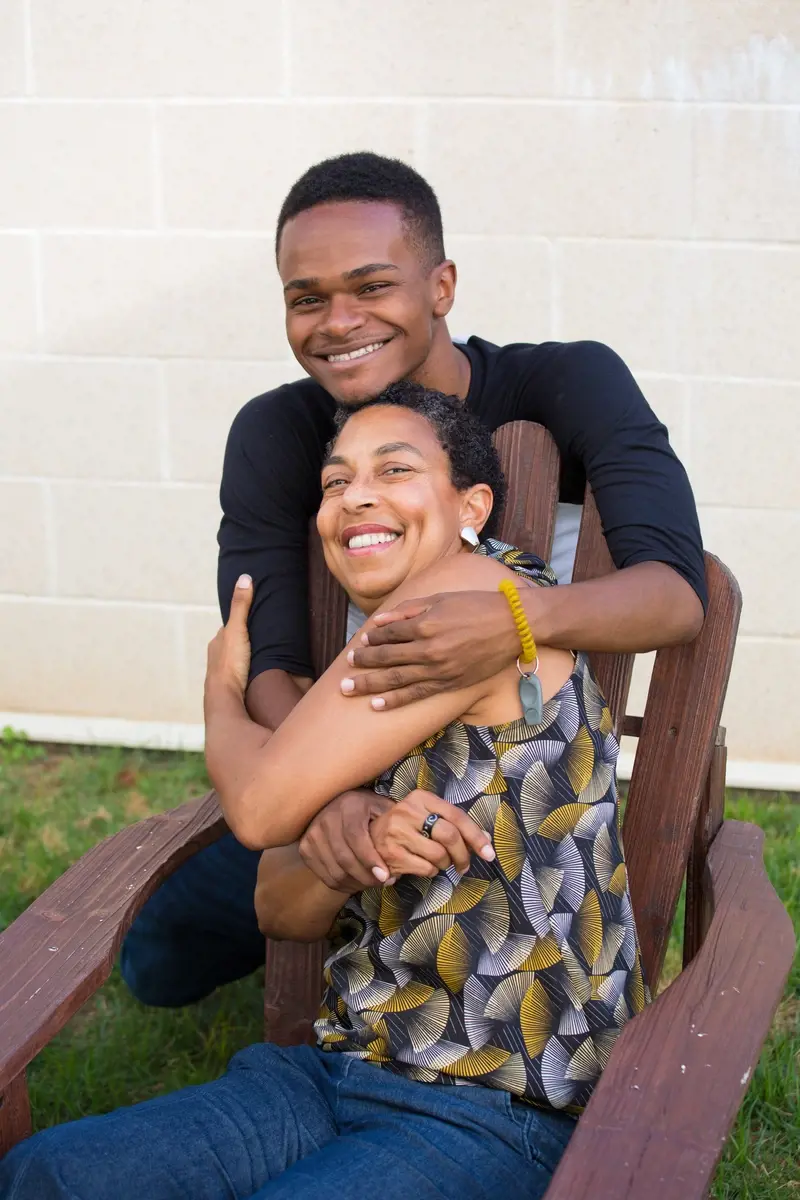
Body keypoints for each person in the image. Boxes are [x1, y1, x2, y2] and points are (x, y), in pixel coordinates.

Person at [0, 384, 647, 1200]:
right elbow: (278, 906)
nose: (357, 494)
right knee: (49, 1175)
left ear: (471, 504)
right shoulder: (374, 678)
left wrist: (222, 693)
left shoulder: (468, 606)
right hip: (334, 1077)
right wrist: (347, 855)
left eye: (395, 468)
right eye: (335, 482)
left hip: (495, 1110)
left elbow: (261, 808)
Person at [120, 151, 705, 1009]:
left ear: (441, 286)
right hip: (345, 748)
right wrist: (337, 797)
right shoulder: (274, 434)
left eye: (371, 286)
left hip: (514, 783)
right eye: (307, 297)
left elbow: (676, 593)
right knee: (156, 960)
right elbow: (271, 660)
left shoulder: (567, 383)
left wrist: (516, 618)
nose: (337, 320)